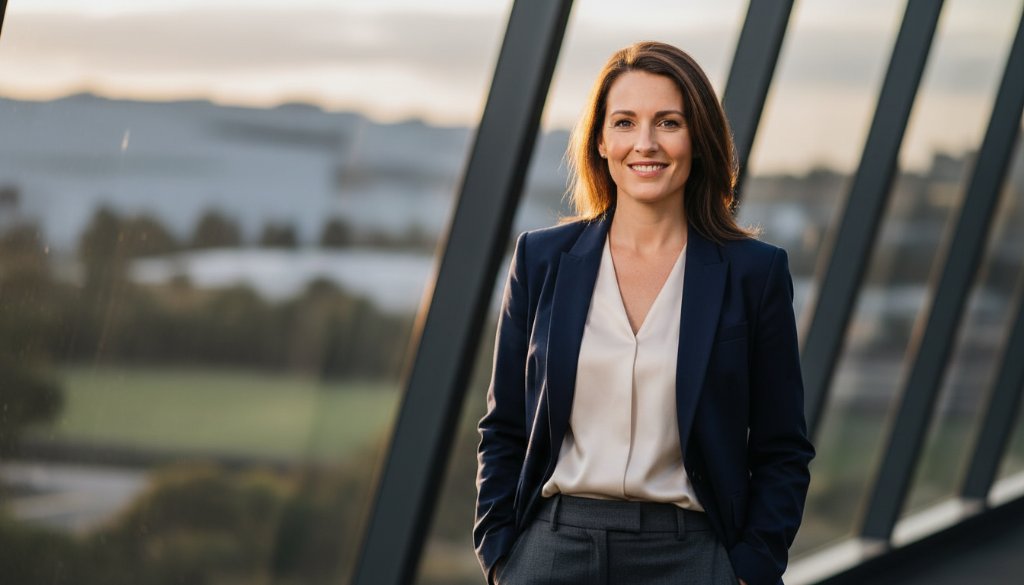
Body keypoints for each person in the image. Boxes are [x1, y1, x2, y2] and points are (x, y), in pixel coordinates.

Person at [474, 41, 814, 585]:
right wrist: (501, 554)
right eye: (626, 122)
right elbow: (505, 426)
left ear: (697, 139)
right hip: (553, 549)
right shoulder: (540, 260)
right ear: (601, 141)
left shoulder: (754, 273)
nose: (646, 144)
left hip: (692, 555)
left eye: (669, 122)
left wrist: (750, 567)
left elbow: (783, 447)